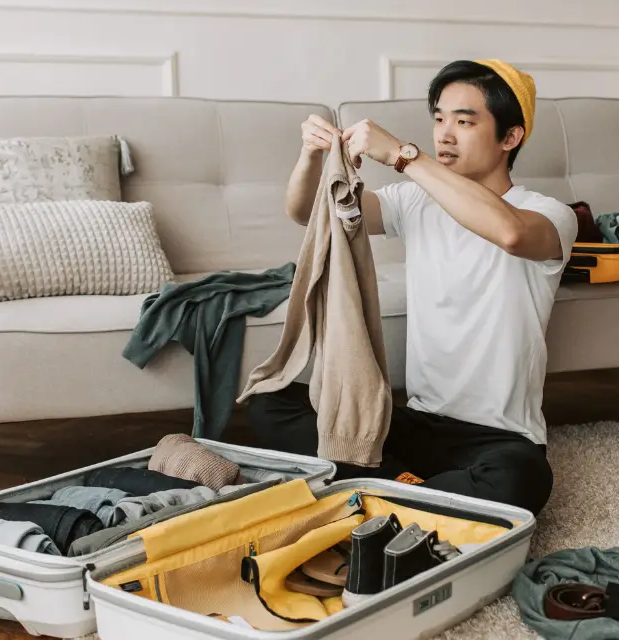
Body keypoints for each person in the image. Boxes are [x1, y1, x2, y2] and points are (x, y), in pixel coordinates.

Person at [247, 60, 578, 516]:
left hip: (498, 438)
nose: (444, 134)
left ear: (510, 137)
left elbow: (511, 234)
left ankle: (380, 488)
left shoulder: (548, 214)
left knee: (522, 479)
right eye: (439, 118)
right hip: (413, 424)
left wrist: (404, 156)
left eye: (464, 121)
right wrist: (311, 157)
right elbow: (308, 212)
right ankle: (413, 492)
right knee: (271, 401)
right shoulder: (414, 202)